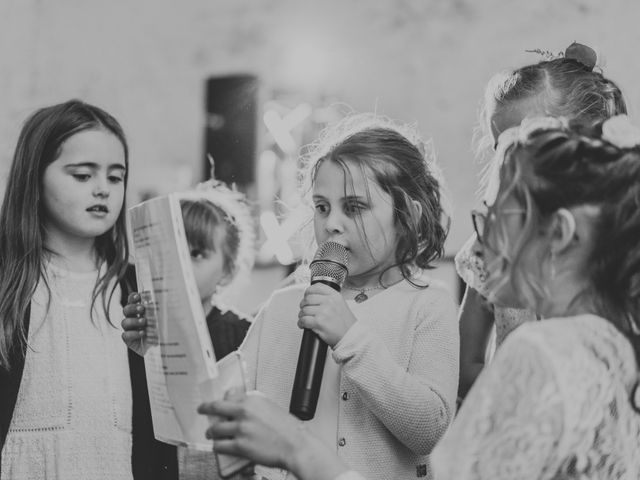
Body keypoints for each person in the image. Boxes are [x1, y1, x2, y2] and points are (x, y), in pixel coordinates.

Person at [200, 115, 640, 480]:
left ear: (559, 235)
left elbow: (429, 428)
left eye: (498, 220)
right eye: (321, 207)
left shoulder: (536, 350)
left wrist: (297, 448)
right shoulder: (612, 352)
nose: (478, 247)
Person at [124, 113, 459, 479]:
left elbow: (428, 429)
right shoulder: (285, 303)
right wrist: (160, 347)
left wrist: (351, 337)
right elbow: (209, 403)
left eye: (354, 207)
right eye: (321, 206)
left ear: (406, 213)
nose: (331, 223)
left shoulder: (428, 304)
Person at [0, 99, 175, 479]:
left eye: (115, 177)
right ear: (34, 178)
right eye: (82, 176)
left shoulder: (138, 286)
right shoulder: (7, 281)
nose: (103, 190)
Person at [456, 41, 628, 401]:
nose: (513, 163)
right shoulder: (492, 243)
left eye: (530, 144)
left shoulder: (623, 242)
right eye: (501, 148)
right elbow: (466, 361)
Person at [123, 174, 256, 480]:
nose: (179, 265)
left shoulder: (244, 335)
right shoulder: (140, 329)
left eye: (195, 254)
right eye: (170, 250)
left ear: (227, 271)